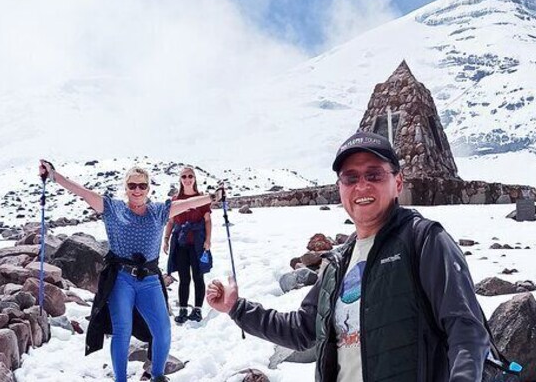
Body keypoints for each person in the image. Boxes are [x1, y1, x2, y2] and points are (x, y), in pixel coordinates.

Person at [206, 132, 490, 382]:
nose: (361, 186)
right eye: (350, 177)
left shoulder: (424, 240)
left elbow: (466, 330)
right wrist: (237, 308)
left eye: (374, 174)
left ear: (398, 182)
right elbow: (303, 330)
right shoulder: (337, 263)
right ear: (340, 188)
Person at [39, 160, 213, 382]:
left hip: (149, 280)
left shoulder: (159, 211)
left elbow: (190, 204)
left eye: (142, 186)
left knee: (163, 331)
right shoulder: (113, 209)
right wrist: (54, 175)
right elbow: (82, 191)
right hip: (121, 279)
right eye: (132, 186)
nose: (137, 190)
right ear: (126, 188)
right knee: (122, 331)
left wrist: (212, 197)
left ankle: (157, 375)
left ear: (148, 188)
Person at [162, 166, 212, 324]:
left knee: (198, 276)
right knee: (184, 278)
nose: (187, 179)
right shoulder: (175, 200)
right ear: (180, 179)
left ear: (194, 178)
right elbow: (170, 221)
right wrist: (166, 238)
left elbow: (207, 220)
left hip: (197, 242)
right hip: (181, 242)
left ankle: (197, 310)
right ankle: (183, 309)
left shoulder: (202, 198)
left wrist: (208, 240)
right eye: (184, 176)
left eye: (190, 176)